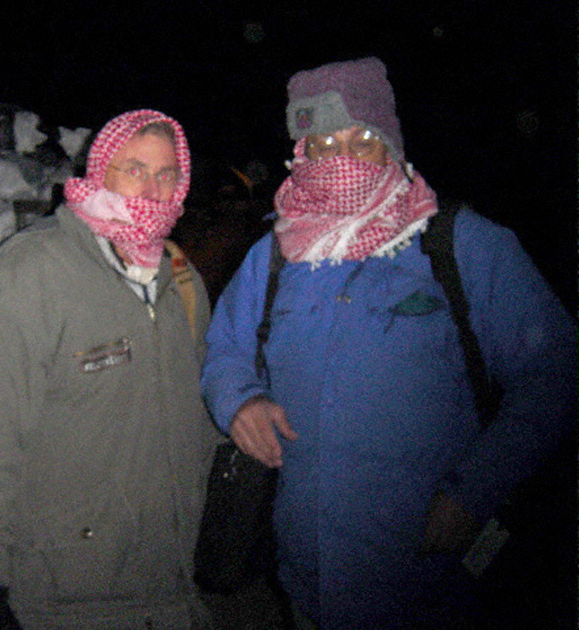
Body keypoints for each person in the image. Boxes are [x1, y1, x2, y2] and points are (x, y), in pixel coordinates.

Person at [200, 57, 576, 629]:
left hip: (428, 580)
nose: (343, 160)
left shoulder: (461, 246)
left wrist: (476, 491)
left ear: (393, 148)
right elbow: (223, 349)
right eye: (324, 143)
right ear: (302, 153)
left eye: (364, 141)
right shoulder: (275, 253)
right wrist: (240, 400)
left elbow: (556, 375)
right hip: (306, 577)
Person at [0, 109, 219, 630]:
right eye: (135, 169)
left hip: (168, 581)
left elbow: (195, 408)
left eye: (167, 174)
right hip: (63, 592)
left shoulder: (179, 278)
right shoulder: (28, 274)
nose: (153, 191)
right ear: (98, 174)